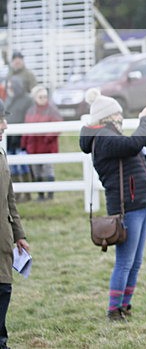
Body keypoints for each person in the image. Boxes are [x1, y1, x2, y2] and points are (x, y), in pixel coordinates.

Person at [78, 89, 146, 321]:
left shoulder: (110, 137)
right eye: (118, 115)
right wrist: (144, 120)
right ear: (107, 117)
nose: (121, 119)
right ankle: (114, 309)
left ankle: (125, 305)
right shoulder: (104, 138)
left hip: (138, 204)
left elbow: (140, 152)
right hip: (127, 207)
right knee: (125, 262)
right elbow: (134, 144)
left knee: (135, 261)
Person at [0, 98, 32, 349]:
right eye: (0, 120)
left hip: (4, 238)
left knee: (3, 290)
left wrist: (19, 233)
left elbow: (10, 198)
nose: (5, 126)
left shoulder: (1, 153)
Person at [20, 85, 62, 201]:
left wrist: (48, 138)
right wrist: (24, 144)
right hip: (33, 146)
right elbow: (26, 129)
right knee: (36, 170)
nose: (43, 99)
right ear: (35, 98)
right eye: (40, 97)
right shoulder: (31, 111)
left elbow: (58, 126)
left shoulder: (52, 110)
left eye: (45, 97)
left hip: (47, 145)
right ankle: (40, 195)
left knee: (48, 169)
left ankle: (50, 195)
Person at [4, 77, 34, 203]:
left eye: (11, 86)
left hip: (21, 138)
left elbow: (29, 117)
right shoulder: (8, 99)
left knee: (23, 166)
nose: (9, 89)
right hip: (9, 138)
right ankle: (17, 193)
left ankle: (27, 193)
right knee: (13, 167)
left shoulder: (27, 100)